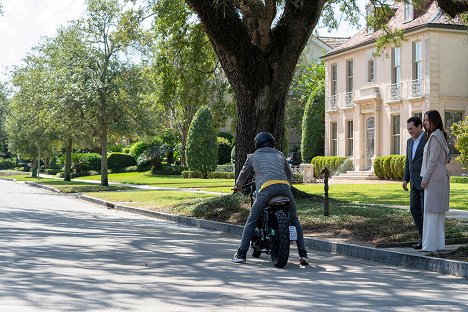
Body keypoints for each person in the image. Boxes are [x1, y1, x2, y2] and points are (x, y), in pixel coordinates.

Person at [231, 132, 308, 265]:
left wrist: (238, 186)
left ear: (257, 144)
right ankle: (303, 255)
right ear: (272, 143)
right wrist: (286, 183)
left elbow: (243, 175)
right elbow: (289, 175)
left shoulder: (252, 156)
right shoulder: (280, 154)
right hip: (285, 188)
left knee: (252, 219)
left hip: (266, 189)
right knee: (295, 220)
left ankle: (241, 254)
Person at [420, 110, 450, 252]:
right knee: (436, 212)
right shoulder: (439, 135)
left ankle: (431, 245)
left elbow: (432, 161)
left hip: (434, 179)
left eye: (426, 120)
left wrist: (425, 179)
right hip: (438, 178)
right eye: (424, 120)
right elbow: (445, 156)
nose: (424, 123)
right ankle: (436, 244)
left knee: (432, 212)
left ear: (434, 120)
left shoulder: (435, 137)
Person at [402, 117, 426, 249]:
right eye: (408, 129)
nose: (409, 132)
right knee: (414, 209)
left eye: (411, 129)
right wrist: (406, 179)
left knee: (424, 211)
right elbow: (408, 162)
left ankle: (425, 239)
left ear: (419, 127)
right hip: (413, 183)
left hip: (425, 182)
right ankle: (423, 236)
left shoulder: (427, 139)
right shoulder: (409, 142)